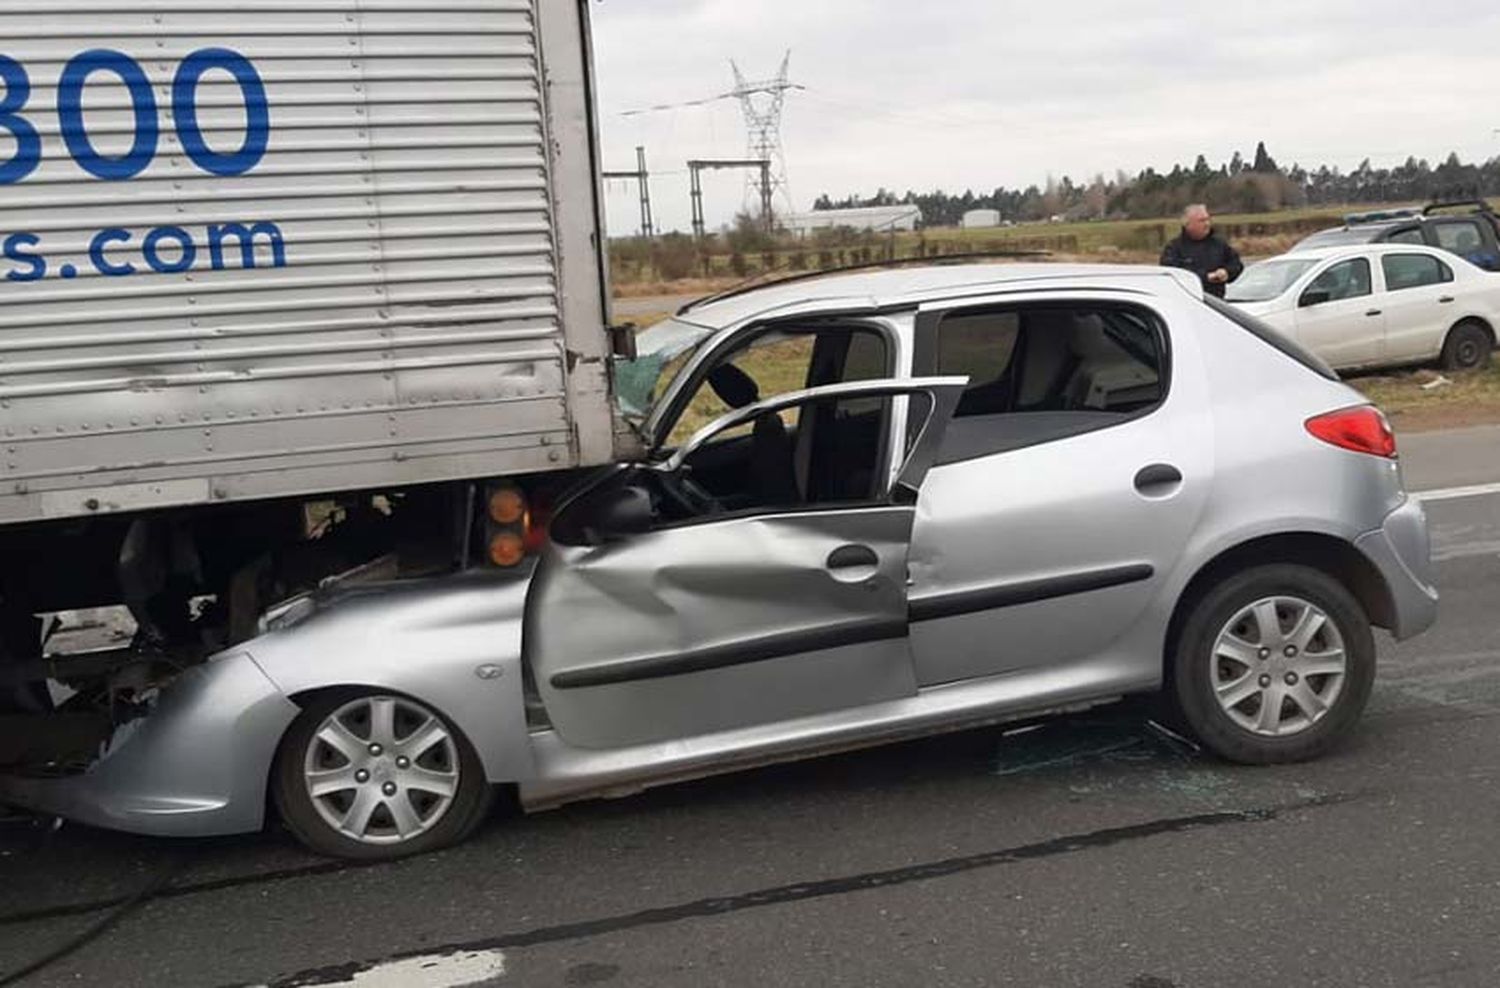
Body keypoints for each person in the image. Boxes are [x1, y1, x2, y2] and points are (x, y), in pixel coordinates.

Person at [1160, 204, 1243, 298]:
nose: (1207, 224)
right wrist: (1206, 277)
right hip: (1186, 302)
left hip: (1215, 303)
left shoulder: (1219, 244)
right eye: (1201, 221)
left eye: (1208, 219)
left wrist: (1227, 272)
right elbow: (1173, 274)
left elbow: (1236, 264)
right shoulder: (1174, 248)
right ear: (1188, 224)